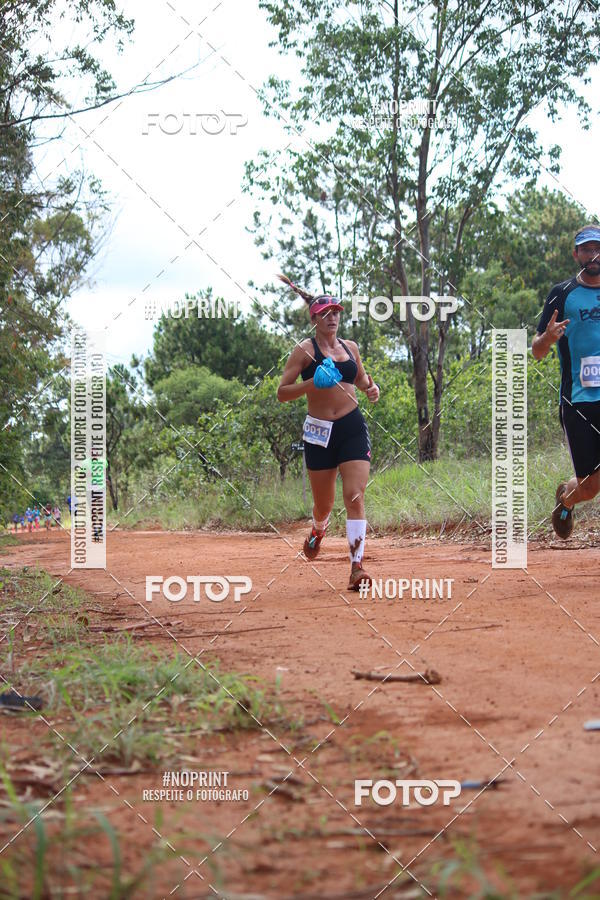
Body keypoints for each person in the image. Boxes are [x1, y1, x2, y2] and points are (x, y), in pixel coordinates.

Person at [276, 274, 380, 590]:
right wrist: (312, 383)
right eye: (326, 313)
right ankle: (319, 528)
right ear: (314, 318)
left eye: (336, 312)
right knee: (324, 504)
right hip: (320, 433)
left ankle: (356, 567)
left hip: (351, 427)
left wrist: (372, 389)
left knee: (355, 496)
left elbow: (361, 379)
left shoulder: (351, 348)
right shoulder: (304, 351)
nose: (332, 317)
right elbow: (282, 392)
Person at [533, 224, 600, 537]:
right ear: (576, 254)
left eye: (598, 248)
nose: (593, 254)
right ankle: (568, 498)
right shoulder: (562, 294)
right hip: (579, 400)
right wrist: (547, 337)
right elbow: (537, 351)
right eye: (587, 249)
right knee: (589, 487)